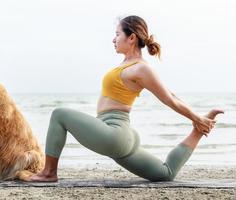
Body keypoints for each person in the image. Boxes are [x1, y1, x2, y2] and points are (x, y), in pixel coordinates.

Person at [28, 15, 224, 182]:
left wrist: (196, 118)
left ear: (131, 38)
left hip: (114, 133)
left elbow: (169, 98)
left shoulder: (140, 67)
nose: (113, 39)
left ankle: (48, 173)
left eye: (117, 34)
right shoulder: (127, 65)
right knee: (165, 174)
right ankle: (197, 133)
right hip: (117, 135)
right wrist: (198, 124)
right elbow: (171, 95)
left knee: (59, 114)